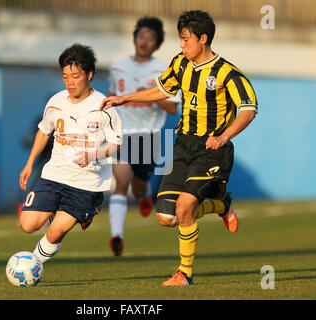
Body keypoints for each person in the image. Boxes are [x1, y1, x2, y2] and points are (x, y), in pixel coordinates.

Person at [101, 10, 257, 286]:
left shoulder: (228, 73)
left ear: (203, 38)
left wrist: (224, 137)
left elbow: (248, 109)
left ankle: (184, 274)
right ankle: (222, 203)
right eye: (180, 40)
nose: (181, 46)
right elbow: (163, 90)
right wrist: (125, 98)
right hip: (183, 146)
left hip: (213, 149)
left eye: (186, 40)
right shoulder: (180, 64)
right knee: (165, 217)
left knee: (185, 206)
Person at [18, 43, 122, 264]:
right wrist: (29, 164)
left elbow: (116, 144)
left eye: (75, 76)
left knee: (55, 232)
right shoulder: (56, 102)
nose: (70, 82)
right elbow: (44, 131)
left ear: (89, 74)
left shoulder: (104, 106)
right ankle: (54, 211)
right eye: (65, 76)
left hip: (87, 185)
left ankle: (33, 264)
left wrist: (94, 155)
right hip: (54, 176)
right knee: (27, 225)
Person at [107, 16, 180, 256]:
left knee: (137, 187)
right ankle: (116, 236)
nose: (144, 42)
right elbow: (110, 94)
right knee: (122, 183)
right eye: (141, 37)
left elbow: (172, 108)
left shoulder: (163, 70)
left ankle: (146, 194)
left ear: (157, 43)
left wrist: (149, 95)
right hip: (121, 133)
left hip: (148, 137)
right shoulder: (117, 67)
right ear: (135, 38)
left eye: (150, 39)